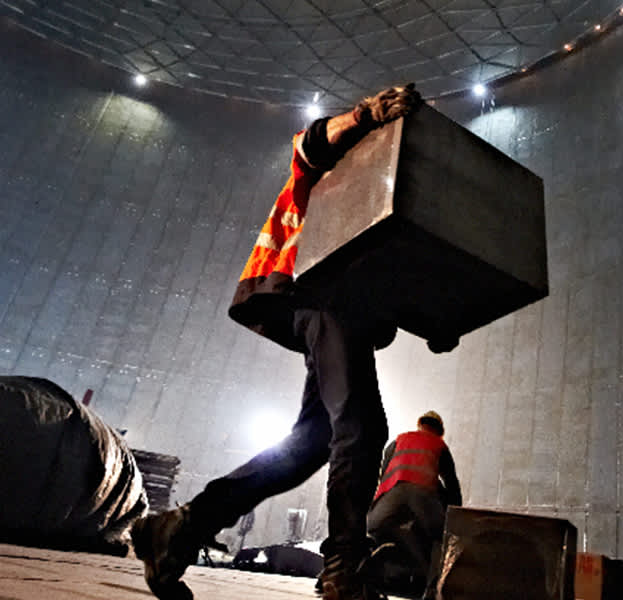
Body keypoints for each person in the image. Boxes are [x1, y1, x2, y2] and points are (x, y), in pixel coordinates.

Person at [130, 84, 425, 600]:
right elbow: (308, 143)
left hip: (341, 307)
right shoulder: (339, 170)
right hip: (321, 292)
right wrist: (367, 114)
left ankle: (180, 527)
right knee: (360, 424)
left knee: (307, 446)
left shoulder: (385, 199)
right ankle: (343, 567)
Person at [363, 410, 462, 596]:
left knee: (374, 529)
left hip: (390, 496)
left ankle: (360, 574)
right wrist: (454, 516)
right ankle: (432, 589)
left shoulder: (399, 440)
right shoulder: (439, 444)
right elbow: (452, 485)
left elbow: (383, 473)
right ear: (439, 430)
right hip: (423, 496)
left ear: (419, 425)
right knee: (441, 536)